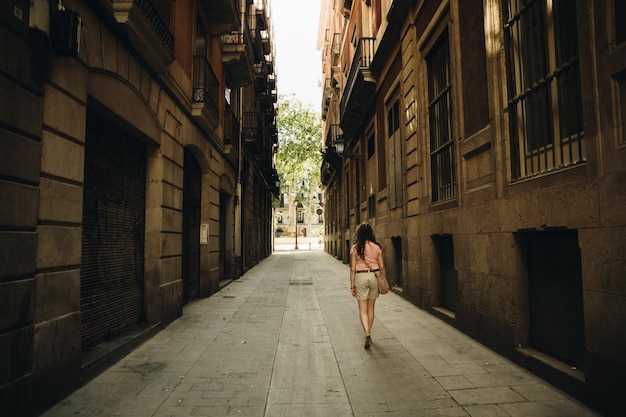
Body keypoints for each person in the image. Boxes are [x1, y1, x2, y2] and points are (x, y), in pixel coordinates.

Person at [350, 222, 386, 349]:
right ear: (371, 233)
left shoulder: (355, 248)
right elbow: (382, 267)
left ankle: (366, 332)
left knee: (362, 309)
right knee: (371, 308)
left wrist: (352, 285)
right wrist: (383, 279)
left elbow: (353, 269)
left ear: (359, 234)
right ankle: (369, 332)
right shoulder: (377, 247)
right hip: (374, 276)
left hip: (360, 276)